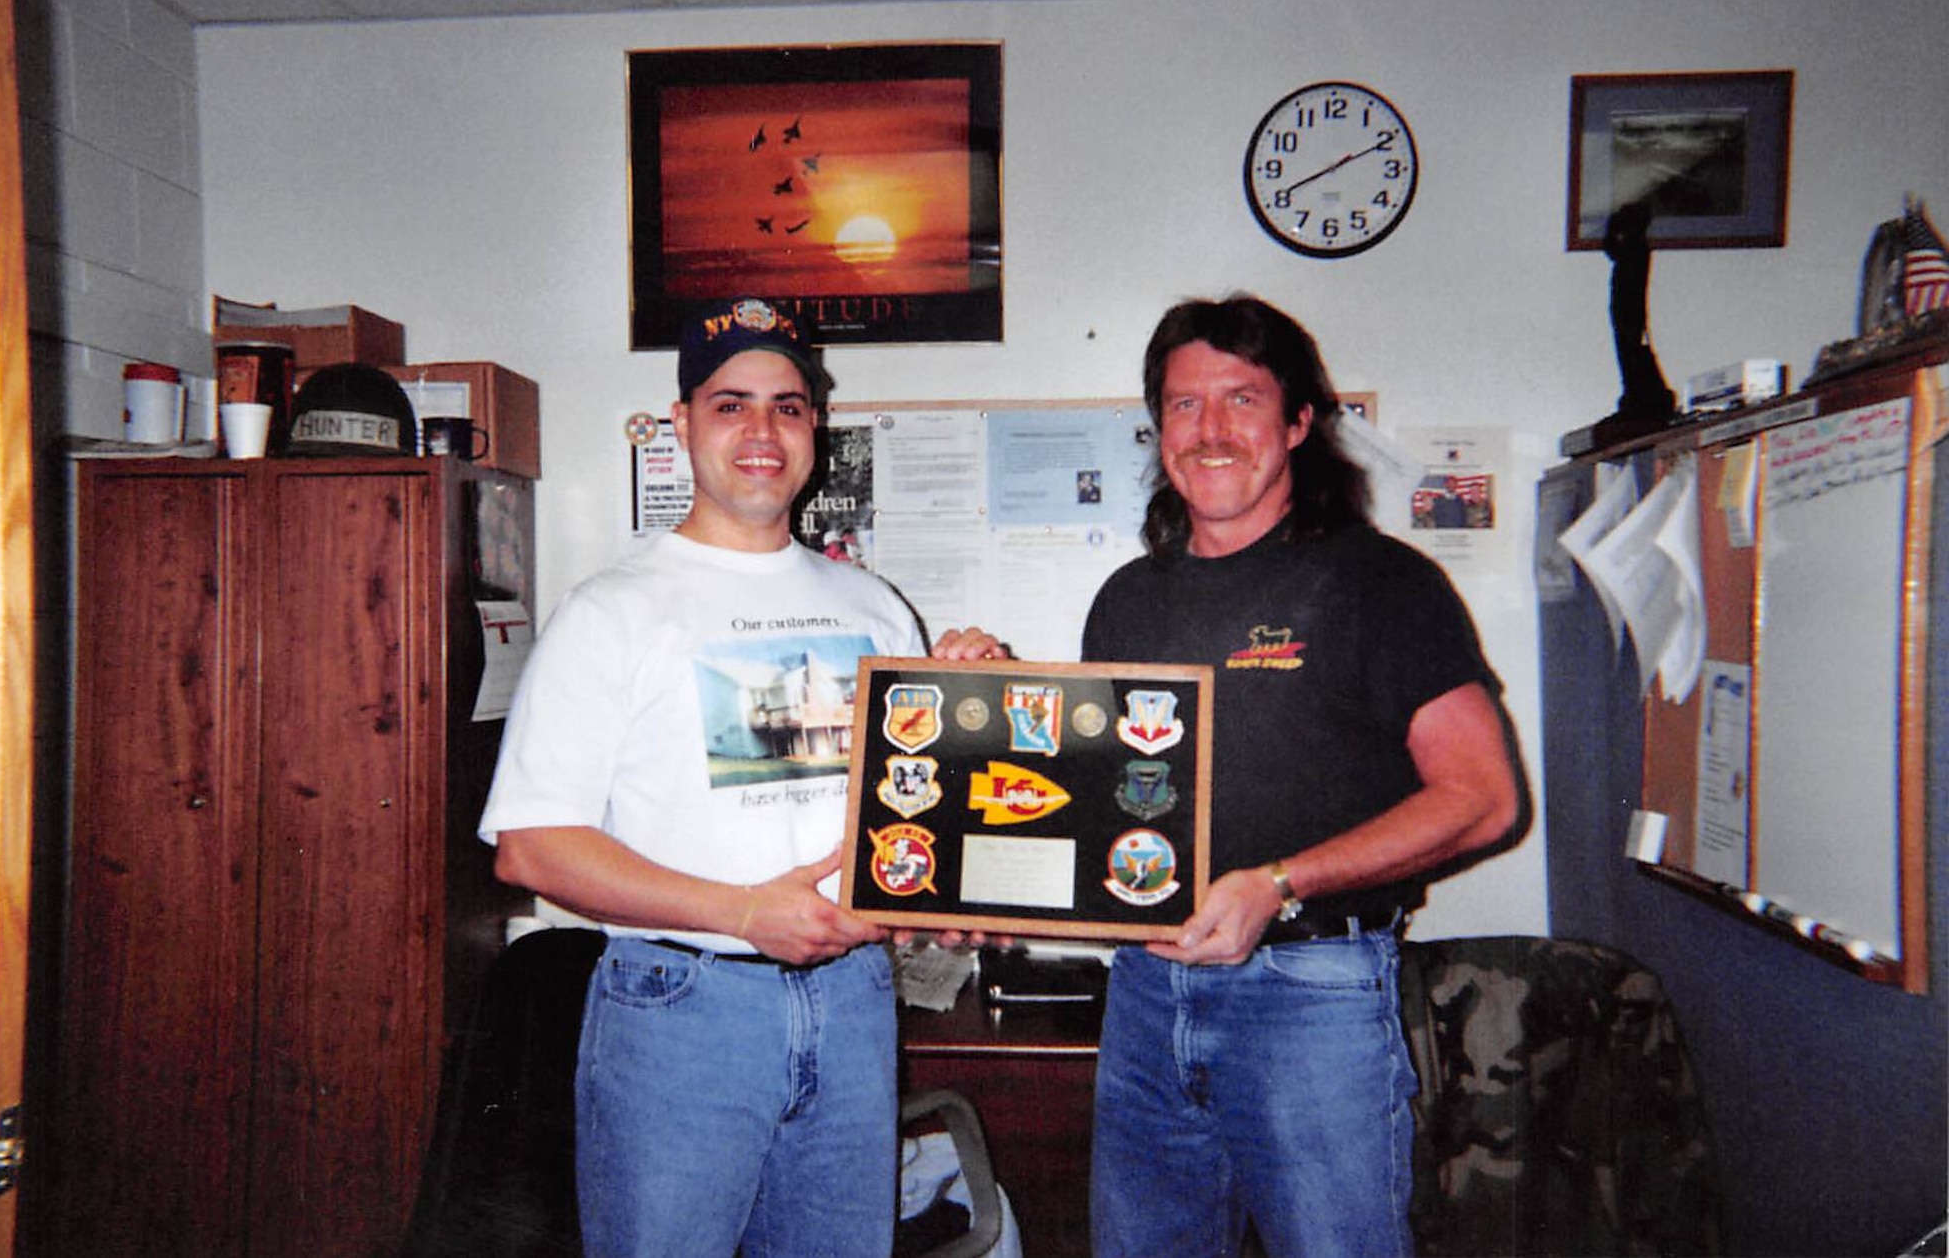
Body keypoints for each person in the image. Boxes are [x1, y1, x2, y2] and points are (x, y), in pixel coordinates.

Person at [479, 296, 1001, 1258]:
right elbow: (532, 847)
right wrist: (741, 911)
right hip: (682, 1011)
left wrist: (973, 726)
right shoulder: (612, 611)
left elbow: (910, 819)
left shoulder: (878, 608)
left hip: (853, 1004)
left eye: (789, 406)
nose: (763, 431)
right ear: (682, 423)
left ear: (816, 428)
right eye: (731, 404)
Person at [1081, 294, 1525, 1258]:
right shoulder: (1124, 601)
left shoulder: (1380, 581)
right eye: (1184, 404)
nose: (1210, 430)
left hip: (1310, 990)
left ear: (1297, 423)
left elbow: (1484, 797)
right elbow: (1105, 807)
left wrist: (1277, 884)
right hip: (1146, 994)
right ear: (1158, 430)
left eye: (1242, 400)